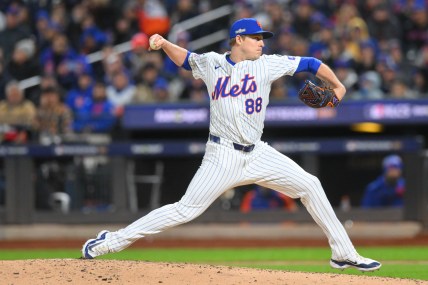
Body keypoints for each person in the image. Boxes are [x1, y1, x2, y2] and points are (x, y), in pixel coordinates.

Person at [82, 18, 381, 272]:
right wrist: (164, 43)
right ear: (239, 39)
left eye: (263, 38)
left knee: (310, 185)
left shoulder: (267, 64)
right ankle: (110, 241)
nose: (262, 43)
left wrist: (338, 86)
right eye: (256, 38)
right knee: (184, 210)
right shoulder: (213, 63)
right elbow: (186, 60)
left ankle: (343, 252)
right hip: (222, 155)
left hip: (258, 152)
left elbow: (312, 63)